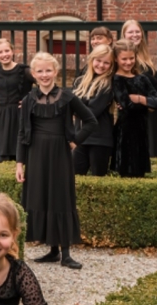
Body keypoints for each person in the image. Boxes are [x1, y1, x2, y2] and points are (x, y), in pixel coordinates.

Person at [15, 52, 96, 270]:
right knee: (41, 197)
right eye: (39, 71)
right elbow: (22, 133)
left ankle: (66, 253)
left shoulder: (68, 97)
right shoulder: (28, 100)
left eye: (48, 70)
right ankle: (52, 250)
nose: (44, 75)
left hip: (60, 153)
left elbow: (90, 121)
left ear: (56, 72)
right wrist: (19, 164)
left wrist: (75, 141)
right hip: (35, 153)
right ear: (33, 74)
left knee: (60, 198)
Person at [110, 40, 157, 179]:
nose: (128, 62)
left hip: (142, 131)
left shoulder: (142, 79)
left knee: (140, 174)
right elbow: (127, 106)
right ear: (116, 58)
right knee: (126, 173)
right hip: (125, 132)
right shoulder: (116, 79)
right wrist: (147, 104)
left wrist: (140, 99)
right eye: (124, 59)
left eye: (131, 58)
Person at [121, 19, 157, 157]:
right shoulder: (122, 56)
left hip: (149, 107)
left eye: (137, 31)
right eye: (130, 32)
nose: (135, 35)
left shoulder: (144, 58)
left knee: (151, 149)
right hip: (134, 109)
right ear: (124, 34)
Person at [0, 38, 32, 163]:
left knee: (20, 155)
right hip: (1, 117)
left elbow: (43, 84)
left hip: (20, 115)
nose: (4, 55)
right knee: (0, 157)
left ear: (13, 51)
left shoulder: (24, 71)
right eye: (0, 52)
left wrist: (31, 99)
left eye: (7, 51)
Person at [72, 45, 116, 177]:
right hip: (80, 138)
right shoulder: (80, 81)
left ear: (111, 65)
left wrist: (74, 109)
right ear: (91, 60)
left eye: (106, 62)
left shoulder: (108, 85)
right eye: (98, 60)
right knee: (74, 177)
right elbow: (69, 104)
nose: (101, 65)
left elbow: (92, 112)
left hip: (100, 139)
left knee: (98, 179)